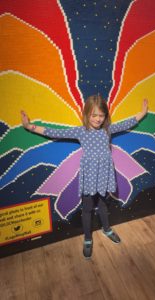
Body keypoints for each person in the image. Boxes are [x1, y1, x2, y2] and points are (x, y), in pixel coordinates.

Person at [21, 94, 148, 259]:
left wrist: (142, 113)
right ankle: (88, 238)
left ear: (105, 116)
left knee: (103, 205)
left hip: (104, 173)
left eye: (101, 115)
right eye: (94, 115)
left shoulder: (107, 129)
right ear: (87, 114)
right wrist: (29, 126)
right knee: (87, 208)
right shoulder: (80, 131)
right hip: (89, 175)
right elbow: (54, 132)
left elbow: (126, 123)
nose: (97, 119)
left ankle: (106, 229)